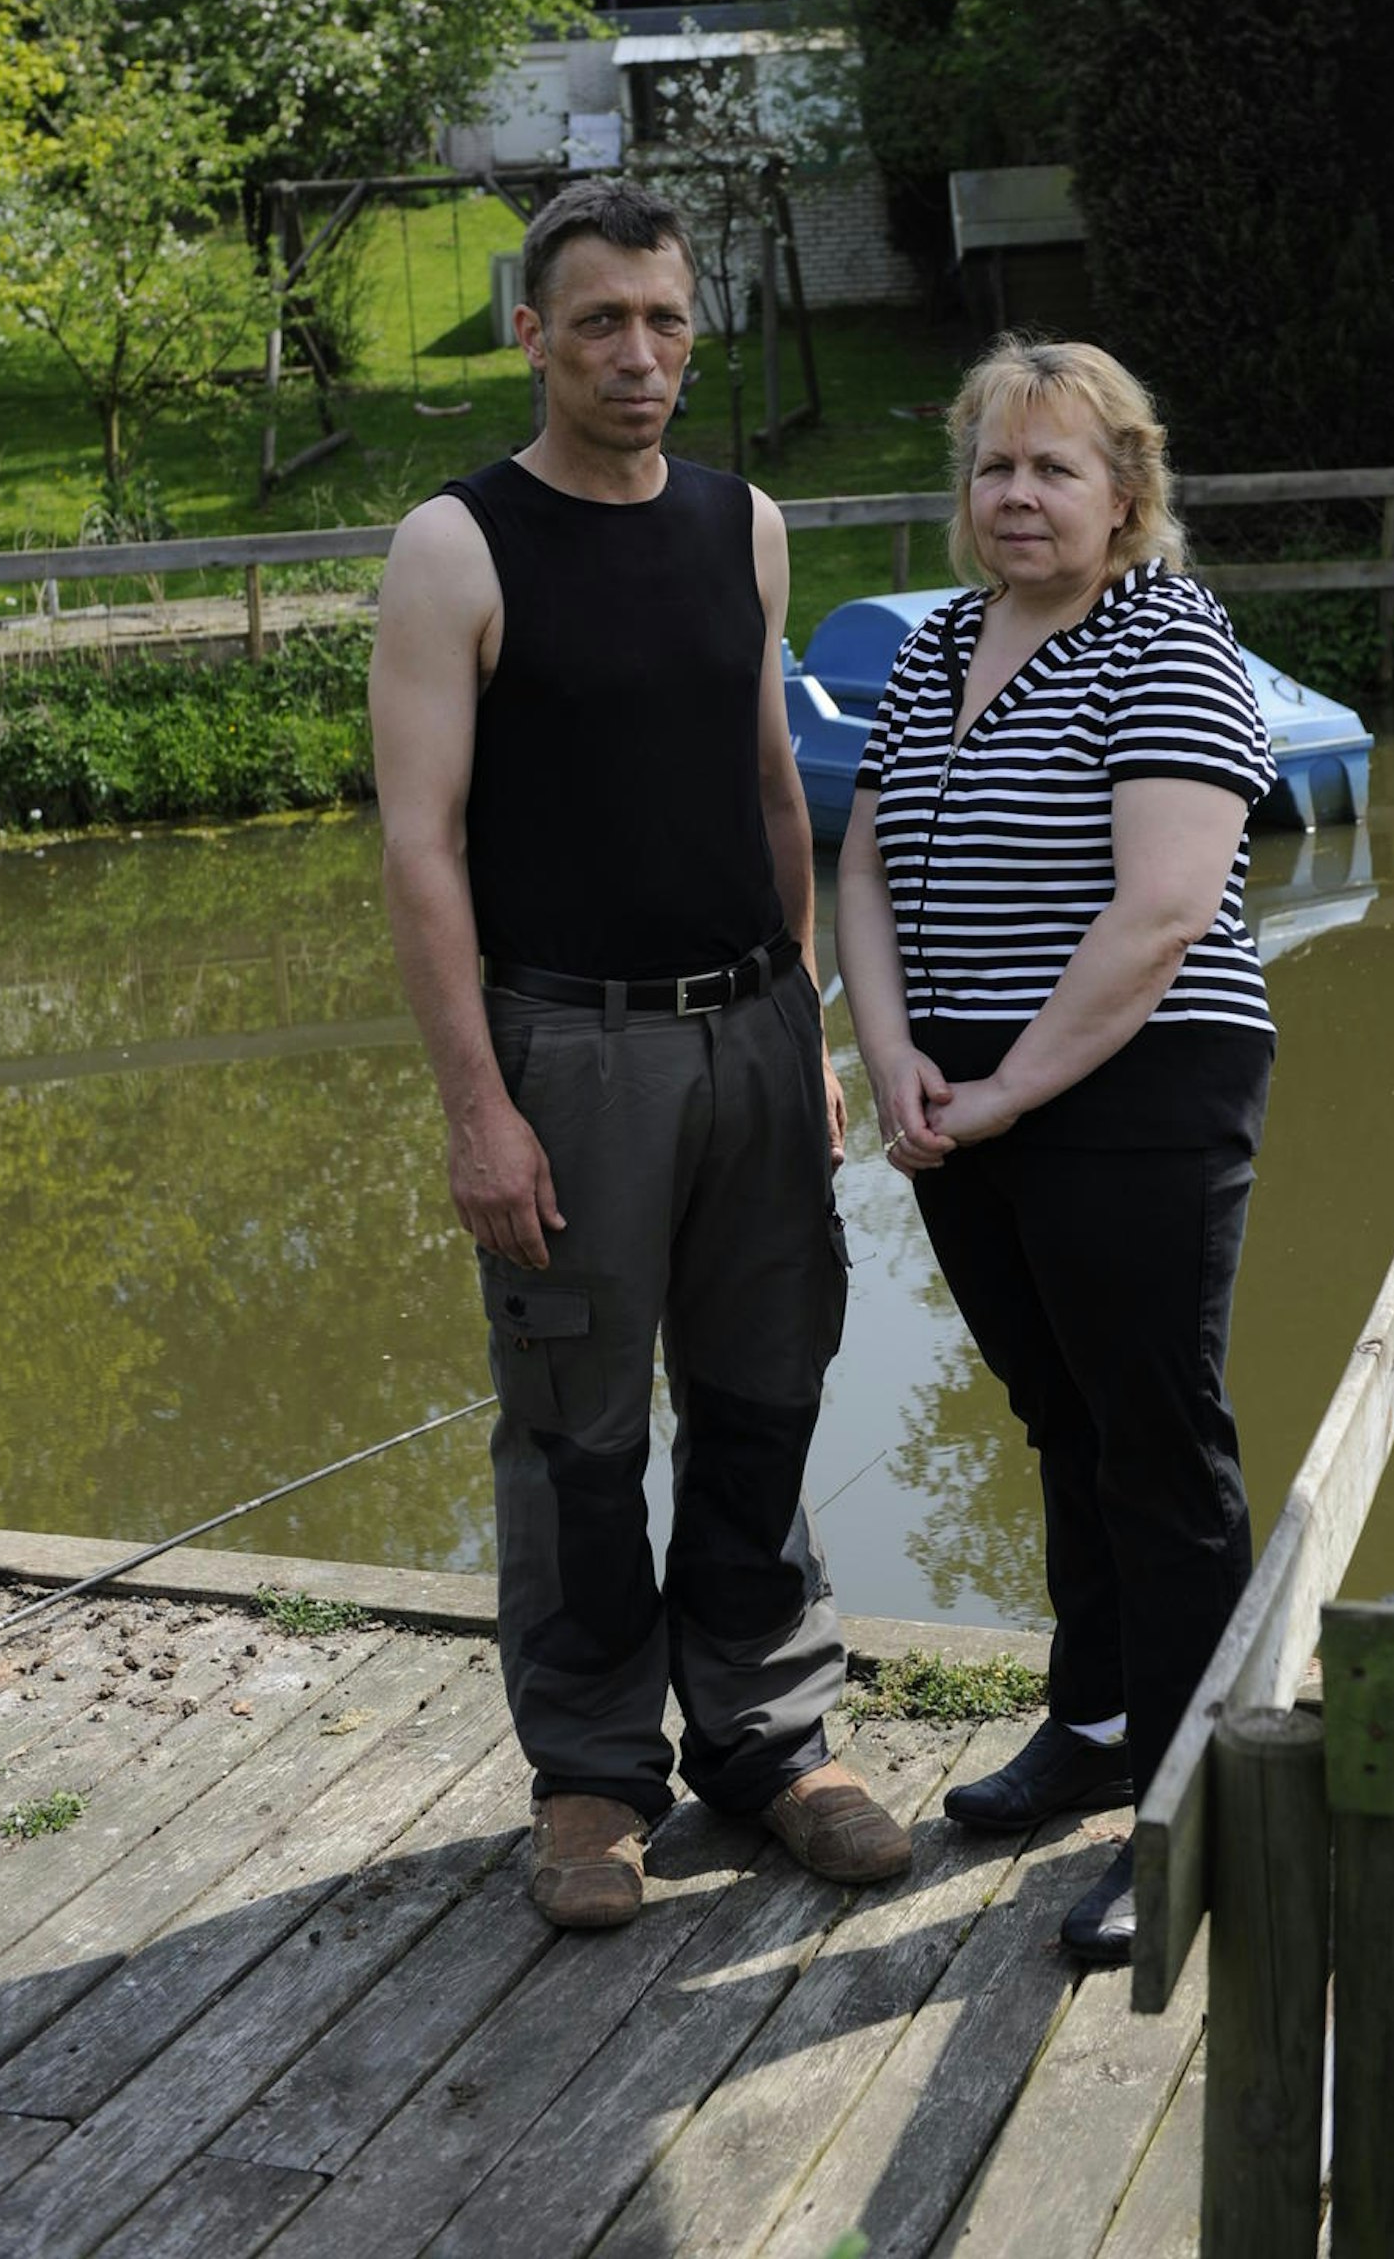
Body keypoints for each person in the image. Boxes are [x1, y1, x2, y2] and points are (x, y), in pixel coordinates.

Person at [370, 174, 909, 1931]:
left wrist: (808, 1025)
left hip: (752, 1030)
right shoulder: (458, 545)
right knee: (579, 1435)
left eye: (666, 320)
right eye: (598, 320)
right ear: (533, 331)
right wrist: (478, 1110)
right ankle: (596, 1777)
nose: (637, 353)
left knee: (764, 1397)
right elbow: (421, 849)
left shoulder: (740, 523)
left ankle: (768, 1739)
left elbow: (772, 788)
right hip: (568, 1057)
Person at [836, 334, 1275, 1966]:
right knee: (1059, 1415)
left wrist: (1009, 1086)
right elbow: (868, 864)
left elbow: (1163, 907)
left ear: (1124, 492)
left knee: (1157, 1443)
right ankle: (1093, 1722)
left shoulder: (1168, 634)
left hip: (1138, 1090)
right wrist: (892, 1058)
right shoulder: (940, 638)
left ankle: (1196, 1799)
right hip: (969, 1103)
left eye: (1054, 468)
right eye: (994, 467)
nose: (1017, 497)